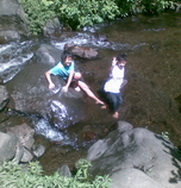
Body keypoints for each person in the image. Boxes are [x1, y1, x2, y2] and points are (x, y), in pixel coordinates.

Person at [102, 53, 127, 118]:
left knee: (120, 101)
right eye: (120, 63)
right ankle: (115, 112)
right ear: (117, 62)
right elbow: (110, 71)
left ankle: (108, 104)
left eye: (123, 63)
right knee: (115, 101)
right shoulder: (115, 68)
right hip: (110, 88)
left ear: (125, 62)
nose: (122, 64)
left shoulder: (123, 68)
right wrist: (112, 65)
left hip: (116, 88)